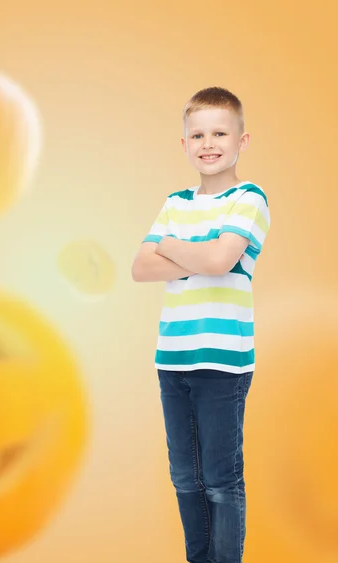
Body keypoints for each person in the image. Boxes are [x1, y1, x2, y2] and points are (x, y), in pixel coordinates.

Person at [131, 86, 271, 563]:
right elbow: (139, 267)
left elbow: (220, 258)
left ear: (241, 140)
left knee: (220, 479)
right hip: (172, 359)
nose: (208, 143)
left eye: (219, 132)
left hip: (223, 363)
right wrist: (202, 255)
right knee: (185, 478)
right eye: (197, 134)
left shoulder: (249, 199)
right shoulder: (175, 202)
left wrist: (172, 247)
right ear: (184, 143)